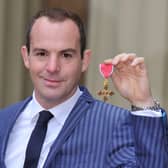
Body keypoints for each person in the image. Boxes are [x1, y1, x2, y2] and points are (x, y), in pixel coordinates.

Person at [0, 8, 167, 168]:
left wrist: (143, 103)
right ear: (26, 56)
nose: (52, 67)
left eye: (66, 55)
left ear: (84, 60)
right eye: (42, 53)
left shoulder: (114, 124)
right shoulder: (3, 121)